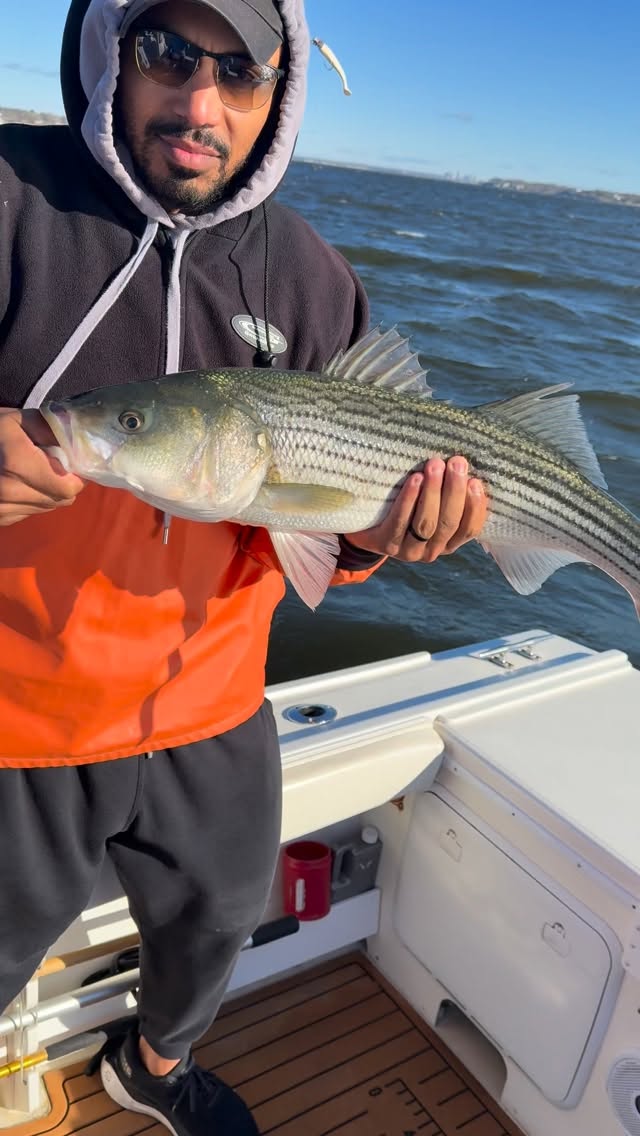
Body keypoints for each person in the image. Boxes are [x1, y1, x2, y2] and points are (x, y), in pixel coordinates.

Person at [0, 0, 487, 1132]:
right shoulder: (13, 200)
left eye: (241, 69)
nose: (200, 102)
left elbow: (331, 530)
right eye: (170, 52)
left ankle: (152, 1066)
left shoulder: (314, 279)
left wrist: (388, 533)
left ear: (283, 90)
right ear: (111, 49)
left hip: (214, 701)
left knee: (218, 918)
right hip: (19, 709)